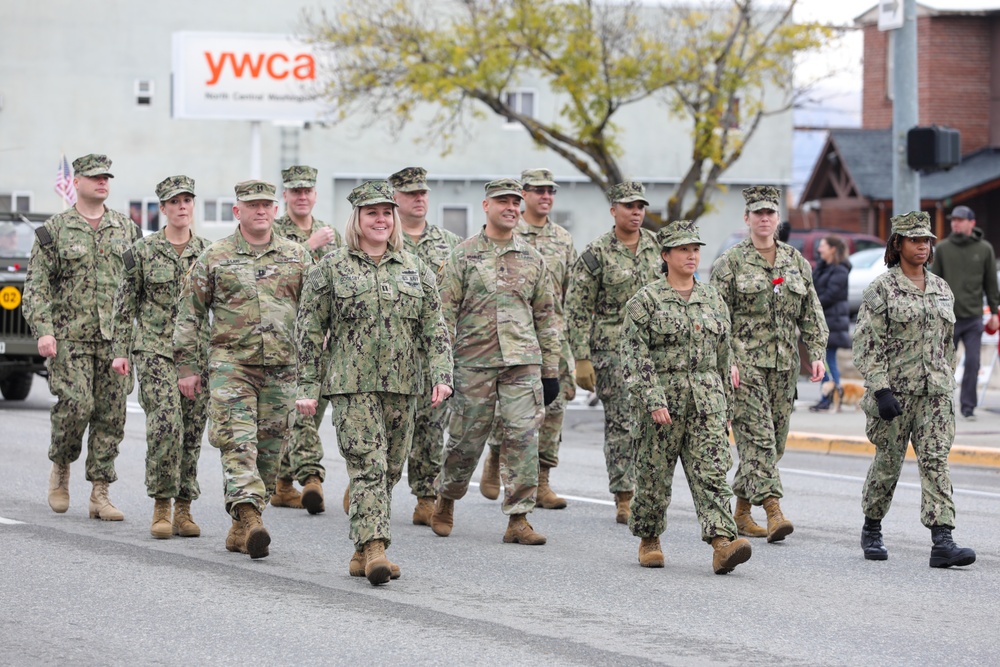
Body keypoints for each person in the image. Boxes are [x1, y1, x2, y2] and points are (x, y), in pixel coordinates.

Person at [296, 180, 453, 585]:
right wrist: (307, 387)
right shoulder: (329, 269)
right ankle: (378, 550)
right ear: (357, 219)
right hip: (351, 384)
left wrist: (442, 375)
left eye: (387, 212)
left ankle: (359, 549)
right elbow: (310, 331)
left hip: (403, 385)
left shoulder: (416, 270)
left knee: (389, 472)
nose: (381, 220)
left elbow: (434, 328)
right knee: (368, 465)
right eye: (372, 213)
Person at [173, 179, 310, 559]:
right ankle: (250, 518)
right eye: (252, 205)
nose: (260, 210)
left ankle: (239, 527)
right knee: (238, 443)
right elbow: (189, 314)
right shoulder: (215, 257)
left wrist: (317, 362)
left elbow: (316, 314)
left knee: (269, 453)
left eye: (266, 204)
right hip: (231, 367)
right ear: (238, 212)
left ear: (276, 210)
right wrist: (187, 366)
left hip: (282, 369)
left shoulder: (298, 257)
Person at [433, 178, 560, 545]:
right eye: (501, 201)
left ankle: (518, 519)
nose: (510, 207)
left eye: (515, 202)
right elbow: (443, 315)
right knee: (465, 441)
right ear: (485, 206)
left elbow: (546, 318)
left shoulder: (534, 259)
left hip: (522, 363)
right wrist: (444, 370)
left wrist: (550, 371)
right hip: (474, 362)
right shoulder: (463, 255)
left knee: (522, 437)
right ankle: (447, 497)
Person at [621, 220, 752, 574]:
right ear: (665, 255)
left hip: (706, 403)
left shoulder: (712, 299)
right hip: (661, 406)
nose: (691, 255)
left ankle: (722, 543)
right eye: (683, 249)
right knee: (653, 478)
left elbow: (724, 356)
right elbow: (634, 355)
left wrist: (725, 408)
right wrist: (653, 398)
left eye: (695, 249)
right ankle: (649, 538)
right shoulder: (645, 300)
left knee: (711, 475)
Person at [854, 211, 976, 568]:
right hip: (895, 396)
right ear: (898, 244)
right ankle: (872, 527)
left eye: (927, 241)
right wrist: (880, 390)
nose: (922, 246)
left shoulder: (940, 288)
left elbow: (947, 344)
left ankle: (943, 540)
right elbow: (866, 343)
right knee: (888, 465)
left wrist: (945, 380)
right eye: (915, 240)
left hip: (935, 396)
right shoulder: (882, 288)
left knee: (936, 462)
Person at [23, 153, 141, 521]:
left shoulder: (128, 230)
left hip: (114, 342)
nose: (102, 182)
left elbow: (139, 286)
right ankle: (61, 466)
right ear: (77, 182)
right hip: (70, 339)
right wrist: (44, 330)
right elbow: (36, 287)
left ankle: (100, 493)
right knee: (77, 405)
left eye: (106, 177)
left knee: (112, 415)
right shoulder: (54, 231)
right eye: (94, 177)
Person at [710, 185, 827, 543]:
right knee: (758, 440)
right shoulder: (729, 264)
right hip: (745, 366)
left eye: (770, 213)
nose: (764, 218)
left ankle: (742, 512)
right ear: (746, 219)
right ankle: (774, 511)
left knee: (773, 444)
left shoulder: (796, 262)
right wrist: (724, 360)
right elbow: (715, 317)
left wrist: (817, 351)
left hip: (784, 366)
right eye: (757, 213)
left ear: (778, 219)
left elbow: (811, 310)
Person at [110, 175, 210, 538]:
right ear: (163, 209)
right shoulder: (143, 252)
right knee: (166, 425)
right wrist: (120, 351)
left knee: (192, 429)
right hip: (154, 349)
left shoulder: (209, 253)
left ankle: (185, 507)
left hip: (198, 354)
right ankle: (162, 505)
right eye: (175, 201)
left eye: (187, 200)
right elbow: (125, 306)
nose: (182, 206)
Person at [564, 181, 661, 523]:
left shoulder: (657, 247)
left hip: (656, 351)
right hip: (612, 351)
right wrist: (581, 358)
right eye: (629, 206)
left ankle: (650, 490)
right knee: (623, 422)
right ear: (613, 210)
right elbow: (576, 307)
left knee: (654, 423)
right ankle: (624, 495)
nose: (636, 212)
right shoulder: (596, 253)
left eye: (640, 207)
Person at [481, 168, 577, 509]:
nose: (546, 197)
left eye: (550, 191)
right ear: (524, 196)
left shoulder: (563, 239)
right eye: (538, 191)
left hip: (551, 334)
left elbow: (569, 295)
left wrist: (574, 350)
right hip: (512, 336)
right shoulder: (508, 231)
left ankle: (542, 480)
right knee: (506, 409)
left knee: (554, 406)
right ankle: (495, 455)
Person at [388, 166, 462, 527]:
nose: (420, 199)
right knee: (387, 424)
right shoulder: (381, 238)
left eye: (423, 193)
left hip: (432, 348)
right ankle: (370, 484)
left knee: (432, 427)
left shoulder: (449, 242)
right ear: (395, 199)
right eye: (411, 194)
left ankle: (424, 495)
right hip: (388, 350)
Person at [270, 164, 343, 513]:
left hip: (322, 339)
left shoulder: (332, 234)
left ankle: (282, 483)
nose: (301, 197)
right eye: (295, 191)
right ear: (285, 196)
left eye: (307, 191)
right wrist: (307, 246)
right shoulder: (271, 231)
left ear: (314, 194)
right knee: (299, 411)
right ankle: (311, 476)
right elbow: (270, 280)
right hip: (283, 337)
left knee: (311, 413)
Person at [930, 205, 1000, 421]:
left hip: (973, 318)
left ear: (972, 222)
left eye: (960, 220)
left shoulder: (984, 249)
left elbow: (990, 283)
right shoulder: (943, 249)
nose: (955, 223)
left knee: (973, 362)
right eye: (953, 220)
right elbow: (934, 282)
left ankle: (968, 407)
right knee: (941, 363)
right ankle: (940, 405)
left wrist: (995, 312)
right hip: (947, 318)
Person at [810, 235, 852, 412]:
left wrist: (813, 304)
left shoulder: (840, 270)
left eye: (823, 246)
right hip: (824, 322)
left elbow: (831, 295)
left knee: (828, 360)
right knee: (824, 359)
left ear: (833, 249)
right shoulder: (823, 267)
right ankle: (827, 396)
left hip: (832, 323)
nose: (819, 250)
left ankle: (832, 396)